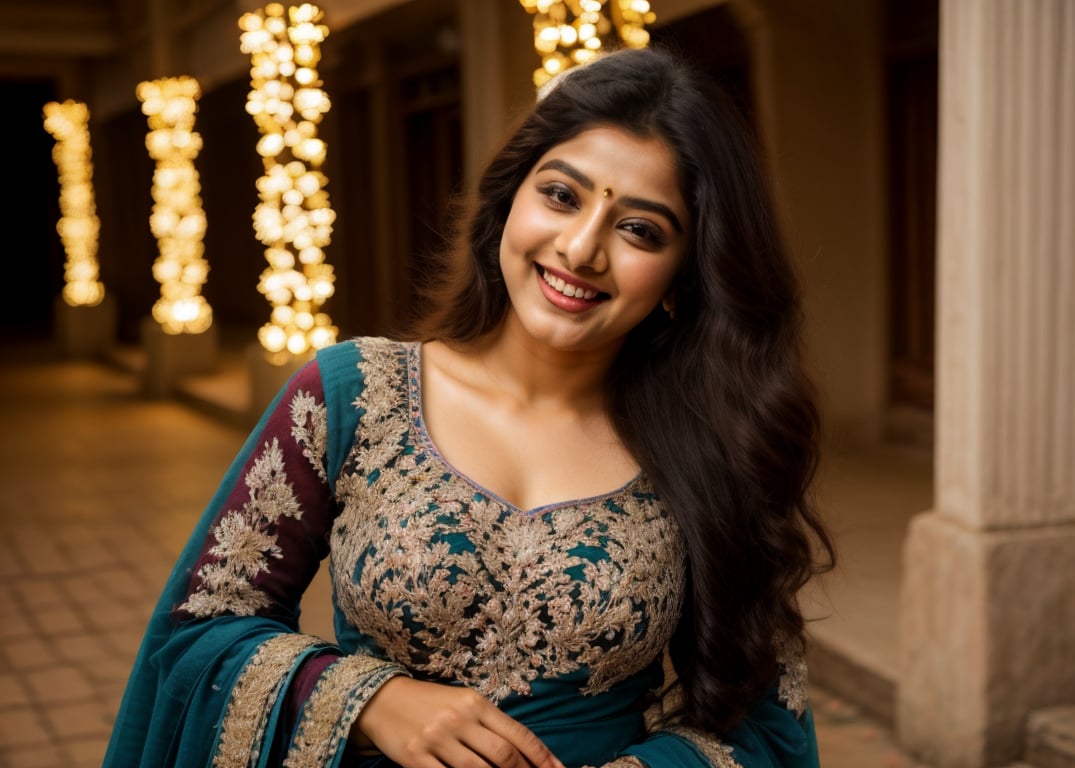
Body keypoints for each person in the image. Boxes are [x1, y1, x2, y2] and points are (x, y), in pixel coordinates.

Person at [103, 46, 833, 768]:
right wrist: (364, 698)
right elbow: (199, 630)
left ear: (685, 274)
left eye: (640, 230)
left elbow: (765, 727)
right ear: (509, 199)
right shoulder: (353, 393)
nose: (581, 249)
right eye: (560, 195)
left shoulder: (709, 447)